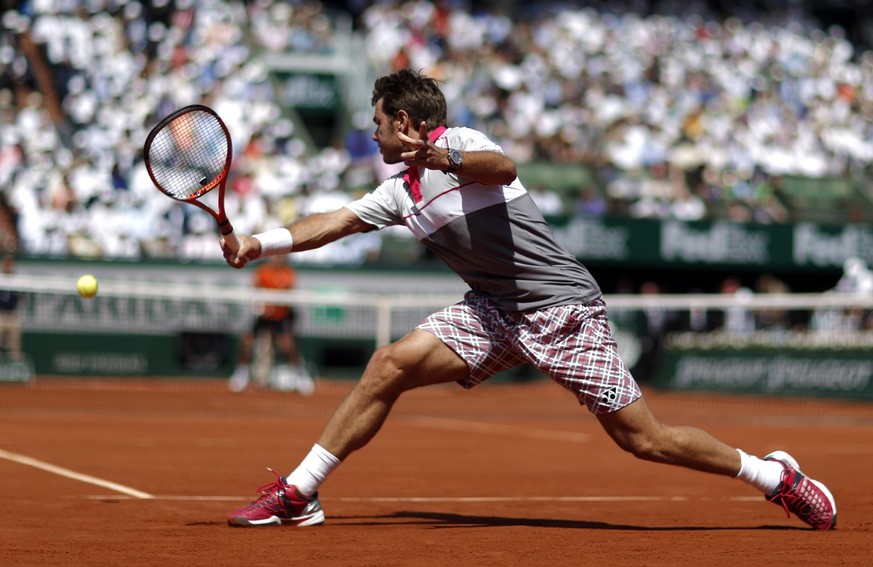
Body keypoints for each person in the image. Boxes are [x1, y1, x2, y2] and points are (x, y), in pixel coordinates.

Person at [220, 69, 836, 530]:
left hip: (565, 310)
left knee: (644, 440)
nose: (373, 132)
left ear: (403, 122)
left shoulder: (460, 142)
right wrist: (257, 242)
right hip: (493, 312)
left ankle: (773, 476)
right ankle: (300, 493)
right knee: (388, 364)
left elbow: (503, 167)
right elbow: (332, 222)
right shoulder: (399, 192)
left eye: (378, 122)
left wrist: (443, 156)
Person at [228, 254, 314, 394]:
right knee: (247, 341)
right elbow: (255, 291)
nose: (277, 259)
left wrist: (277, 306)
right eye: (275, 257)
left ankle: (301, 375)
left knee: (288, 346)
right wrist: (260, 306)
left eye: (280, 257)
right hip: (263, 317)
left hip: (282, 316)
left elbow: (290, 296)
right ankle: (241, 374)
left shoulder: (288, 273)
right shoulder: (262, 271)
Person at [0, 254, 23, 361]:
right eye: (6, 264)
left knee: (15, 341)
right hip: (1, 314)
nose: (8, 266)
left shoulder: (17, 280)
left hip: (12, 315)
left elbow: (21, 297)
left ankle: (15, 364)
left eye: (10, 264)